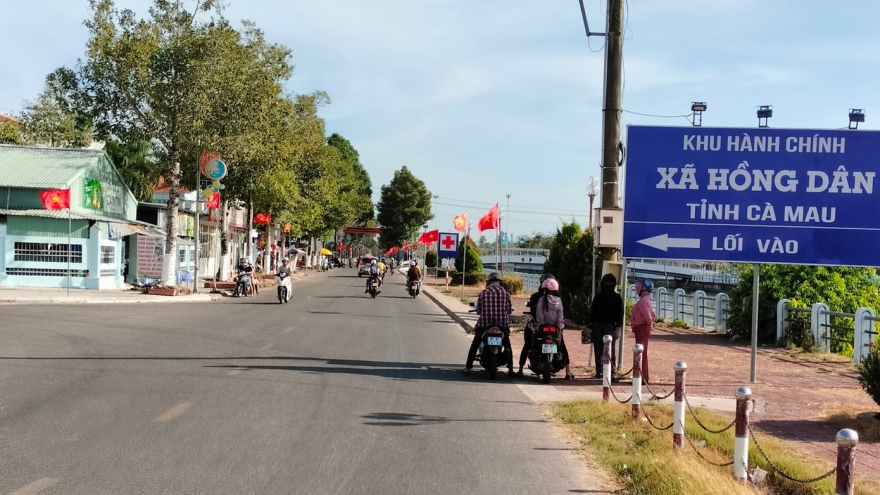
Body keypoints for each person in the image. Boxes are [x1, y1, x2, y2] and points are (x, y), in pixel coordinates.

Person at [463, 272, 514, 375]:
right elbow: (509, 310)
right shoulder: (505, 293)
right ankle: (511, 369)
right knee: (507, 345)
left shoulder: (484, 293)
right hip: (502, 325)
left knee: (475, 344)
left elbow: (479, 311)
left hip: (485, 324)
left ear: (489, 281)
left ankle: (468, 367)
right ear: (499, 281)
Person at [516, 273, 556, 376]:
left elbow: (533, 313)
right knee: (562, 344)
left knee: (528, 344)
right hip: (553, 326)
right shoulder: (557, 298)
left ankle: (520, 368)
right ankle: (567, 370)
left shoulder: (536, 297)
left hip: (538, 326)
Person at [534, 278, 574, 380]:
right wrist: (559, 327)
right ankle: (568, 371)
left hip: (543, 327)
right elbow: (560, 317)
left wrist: (540, 325)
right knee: (563, 347)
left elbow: (539, 315)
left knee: (533, 344)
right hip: (555, 329)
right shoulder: (559, 300)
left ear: (545, 289)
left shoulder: (542, 299)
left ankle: (521, 368)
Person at [590, 273, 624, 379]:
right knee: (598, 349)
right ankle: (600, 371)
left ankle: (611, 371)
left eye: (609, 283)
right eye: (605, 282)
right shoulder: (598, 297)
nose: (607, 285)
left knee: (610, 349)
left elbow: (620, 314)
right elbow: (593, 313)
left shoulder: (617, 298)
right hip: (597, 326)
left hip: (611, 326)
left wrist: (618, 327)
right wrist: (590, 326)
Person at [630, 278, 656, 384]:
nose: (636, 289)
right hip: (641, 329)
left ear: (643, 288)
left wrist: (650, 323)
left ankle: (641, 377)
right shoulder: (646, 299)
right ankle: (642, 376)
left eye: (638, 287)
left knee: (640, 353)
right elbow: (652, 314)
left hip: (641, 329)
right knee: (642, 352)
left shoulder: (643, 301)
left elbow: (648, 317)